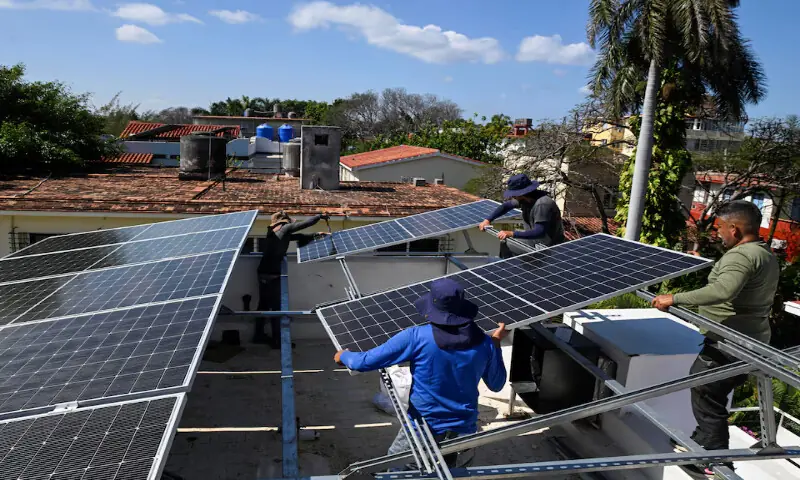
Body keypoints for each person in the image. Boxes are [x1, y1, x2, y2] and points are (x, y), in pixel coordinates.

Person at [652, 200, 779, 475]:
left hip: (731, 341)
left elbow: (722, 291)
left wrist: (674, 298)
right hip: (750, 338)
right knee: (712, 392)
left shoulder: (741, 256)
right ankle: (702, 442)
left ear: (734, 229)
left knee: (706, 390)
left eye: (720, 228)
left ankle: (713, 457)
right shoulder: (764, 253)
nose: (717, 233)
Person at [333, 278, 508, 469]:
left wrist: (344, 356)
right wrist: (495, 344)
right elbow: (497, 384)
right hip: (464, 429)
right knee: (453, 472)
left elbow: (365, 362)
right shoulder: (485, 343)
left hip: (423, 427)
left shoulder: (416, 337)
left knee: (399, 470)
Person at [256, 211, 329, 346]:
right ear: (284, 222)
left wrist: (317, 235)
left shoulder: (276, 233)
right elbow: (305, 225)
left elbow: (299, 236)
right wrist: (319, 216)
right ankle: (277, 340)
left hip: (264, 272)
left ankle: (258, 335)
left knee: (264, 305)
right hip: (270, 274)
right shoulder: (284, 229)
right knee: (276, 308)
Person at [478, 173, 564, 256]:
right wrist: (488, 220)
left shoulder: (542, 204)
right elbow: (506, 206)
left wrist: (512, 233)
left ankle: (510, 267)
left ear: (522, 194)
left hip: (548, 247)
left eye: (514, 195)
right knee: (504, 242)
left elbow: (540, 231)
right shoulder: (525, 200)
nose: (513, 197)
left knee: (508, 242)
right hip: (535, 242)